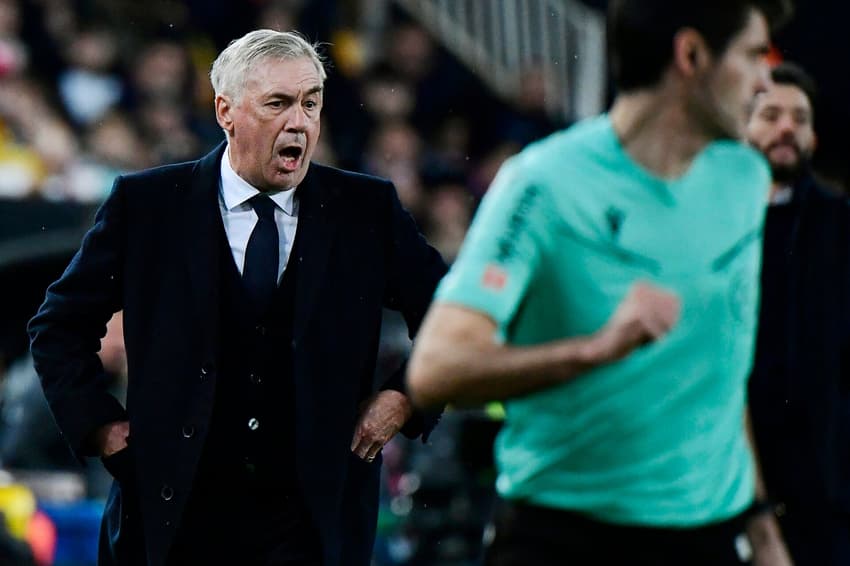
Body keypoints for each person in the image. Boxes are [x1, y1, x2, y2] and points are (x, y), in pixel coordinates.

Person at [28, 29, 447, 566]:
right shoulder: (148, 205)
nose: (300, 121)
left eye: (311, 103)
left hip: (312, 524)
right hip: (174, 517)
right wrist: (102, 427)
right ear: (226, 111)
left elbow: (450, 312)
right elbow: (58, 326)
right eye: (278, 104)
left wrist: (405, 397)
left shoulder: (365, 210)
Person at [407, 1, 795, 564]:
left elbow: (719, 375)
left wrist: (761, 528)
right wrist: (594, 351)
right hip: (563, 537)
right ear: (690, 55)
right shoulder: (542, 186)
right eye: (754, 55)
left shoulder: (745, 179)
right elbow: (437, 369)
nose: (767, 80)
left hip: (711, 538)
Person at [746, 62, 850, 565]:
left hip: (827, 487)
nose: (786, 127)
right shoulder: (711, 225)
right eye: (770, 114)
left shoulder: (840, 221)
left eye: (799, 118)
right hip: (730, 483)